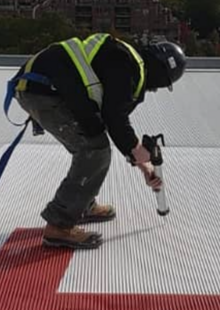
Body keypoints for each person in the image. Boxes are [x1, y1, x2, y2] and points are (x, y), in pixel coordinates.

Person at [10, 33, 186, 249]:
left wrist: (143, 165)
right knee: (94, 148)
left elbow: (111, 120)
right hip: (43, 91)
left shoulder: (127, 61)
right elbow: (115, 120)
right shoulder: (127, 66)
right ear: (161, 75)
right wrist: (139, 152)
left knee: (94, 139)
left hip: (43, 86)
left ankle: (82, 205)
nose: (155, 89)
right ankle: (59, 226)